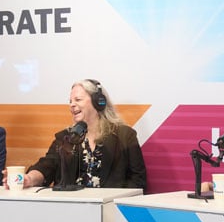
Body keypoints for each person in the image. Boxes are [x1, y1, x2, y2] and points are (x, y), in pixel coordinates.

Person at [12, 79, 147, 190]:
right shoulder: (65, 138)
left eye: (78, 99)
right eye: (70, 101)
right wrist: (29, 179)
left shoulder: (124, 136)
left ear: (98, 102)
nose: (72, 105)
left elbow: (138, 180)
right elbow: (46, 166)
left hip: (110, 208)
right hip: (71, 209)